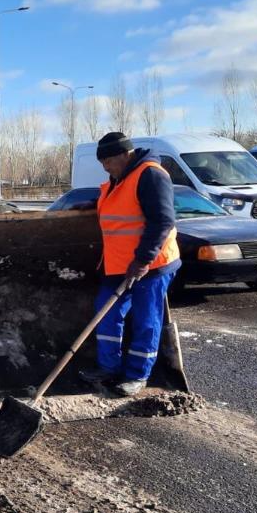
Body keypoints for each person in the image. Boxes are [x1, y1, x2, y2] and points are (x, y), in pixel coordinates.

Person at [78, 131, 180, 396]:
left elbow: (162, 221)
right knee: (106, 313)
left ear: (125, 154)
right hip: (119, 265)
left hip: (151, 265)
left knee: (147, 320)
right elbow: (121, 206)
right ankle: (108, 367)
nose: (105, 167)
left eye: (108, 161)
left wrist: (143, 260)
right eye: (102, 163)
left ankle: (137, 375)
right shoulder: (120, 177)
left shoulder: (150, 175)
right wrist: (92, 205)